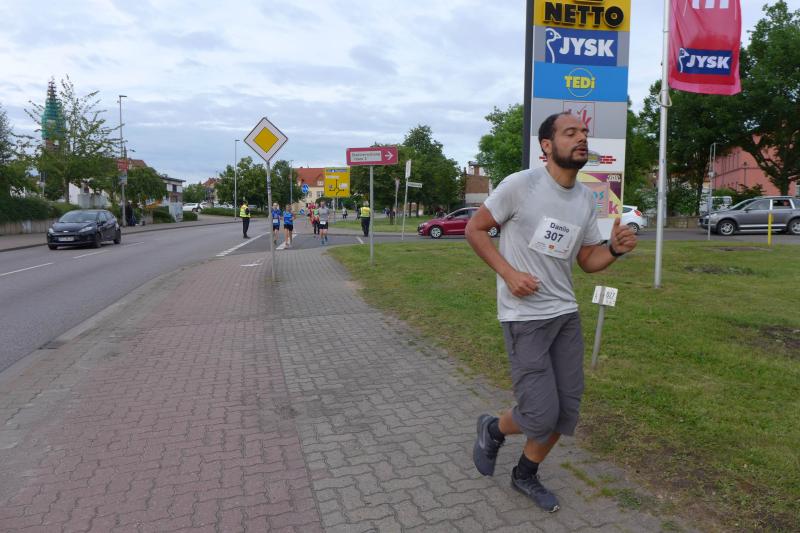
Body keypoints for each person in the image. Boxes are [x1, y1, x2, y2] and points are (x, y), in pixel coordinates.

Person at [465, 112, 637, 513]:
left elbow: (587, 260)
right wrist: (509, 274)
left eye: (584, 133)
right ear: (547, 145)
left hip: (565, 315)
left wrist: (613, 250)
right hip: (524, 317)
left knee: (565, 412)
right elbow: (475, 229)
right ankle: (493, 428)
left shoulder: (585, 198)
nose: (581, 138)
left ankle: (525, 473)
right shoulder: (521, 185)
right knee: (540, 413)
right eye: (570, 132)